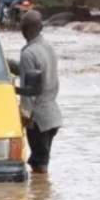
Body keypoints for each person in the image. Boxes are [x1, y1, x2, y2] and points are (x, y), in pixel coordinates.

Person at [17, 11, 62, 175]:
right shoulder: (48, 47)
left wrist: (23, 117)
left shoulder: (28, 54)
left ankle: (41, 196)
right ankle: (44, 198)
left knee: (40, 170)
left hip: (38, 121)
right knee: (41, 162)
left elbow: (28, 91)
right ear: (41, 27)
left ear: (22, 29)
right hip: (53, 116)